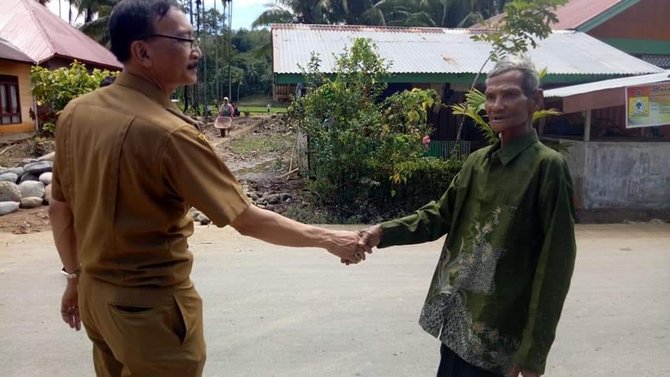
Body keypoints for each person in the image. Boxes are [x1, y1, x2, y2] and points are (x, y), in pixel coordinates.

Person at [49, 1, 367, 376]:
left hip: (95, 299)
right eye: (184, 40)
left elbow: (59, 208)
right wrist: (329, 238)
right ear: (142, 51)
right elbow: (246, 219)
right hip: (148, 312)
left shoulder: (76, 112)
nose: (196, 51)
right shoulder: (169, 134)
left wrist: (74, 278)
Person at [358, 56, 576, 377]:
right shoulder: (477, 162)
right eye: (490, 96)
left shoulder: (547, 168)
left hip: (498, 339)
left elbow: (555, 267)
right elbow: (438, 216)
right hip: (457, 326)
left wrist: (532, 356)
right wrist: (383, 232)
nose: (496, 105)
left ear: (536, 101)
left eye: (509, 95)